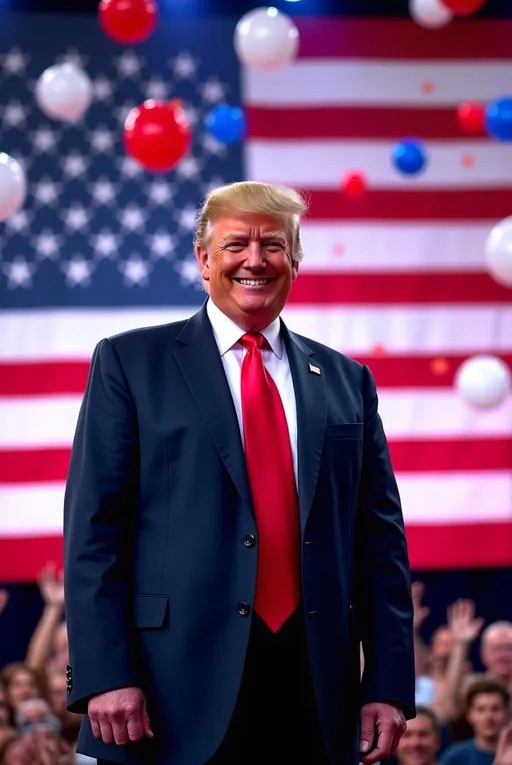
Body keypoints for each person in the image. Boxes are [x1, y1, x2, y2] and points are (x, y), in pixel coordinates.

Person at [63, 181, 416, 765]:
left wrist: (386, 683)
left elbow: (381, 545)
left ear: (296, 263)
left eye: (273, 245)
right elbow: (93, 533)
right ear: (204, 259)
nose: (255, 260)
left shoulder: (348, 380)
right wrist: (103, 672)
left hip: (316, 687)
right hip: (165, 692)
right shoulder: (129, 363)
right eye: (236, 245)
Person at [441, 679, 511, 765]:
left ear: (507, 713)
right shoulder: (455, 758)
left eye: (495, 709)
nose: (488, 717)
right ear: (470, 715)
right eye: (481, 710)